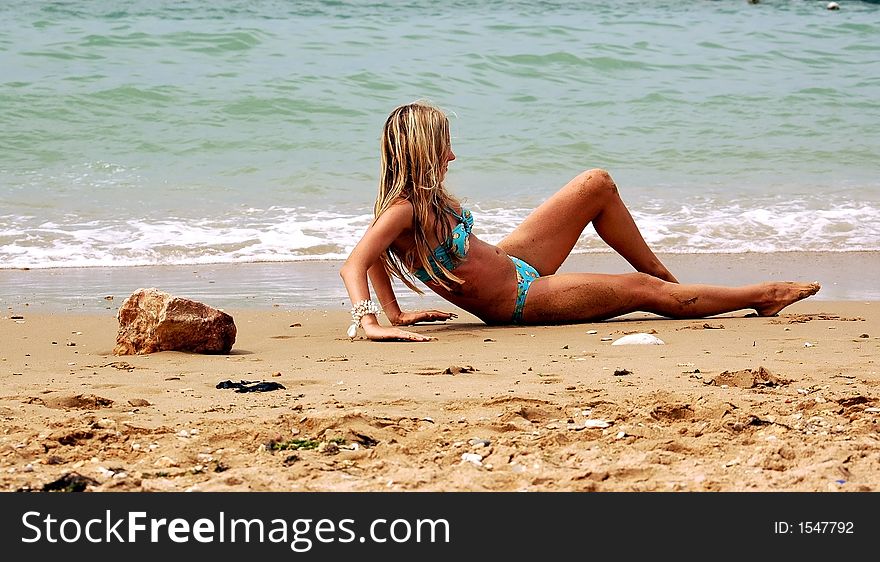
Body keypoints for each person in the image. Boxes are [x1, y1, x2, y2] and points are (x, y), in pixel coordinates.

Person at [339, 101, 820, 342]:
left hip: (516, 262)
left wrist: (399, 311)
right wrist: (374, 322)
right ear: (423, 150)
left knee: (596, 183)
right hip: (520, 299)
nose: (452, 154)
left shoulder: (424, 200)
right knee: (638, 291)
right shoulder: (402, 209)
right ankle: (762, 297)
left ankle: (670, 284)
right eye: (444, 146)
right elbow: (357, 262)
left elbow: (378, 256)